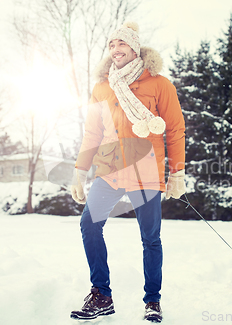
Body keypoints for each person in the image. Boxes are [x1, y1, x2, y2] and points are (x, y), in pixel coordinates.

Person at [69, 22, 186, 323]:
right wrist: (80, 171)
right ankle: (101, 294)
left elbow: (174, 130)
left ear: (135, 48)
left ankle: (153, 301)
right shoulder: (101, 88)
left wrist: (177, 173)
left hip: (146, 170)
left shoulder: (159, 83)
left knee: (150, 238)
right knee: (89, 225)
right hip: (109, 170)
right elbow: (92, 133)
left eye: (121, 44)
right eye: (111, 45)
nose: (115, 49)